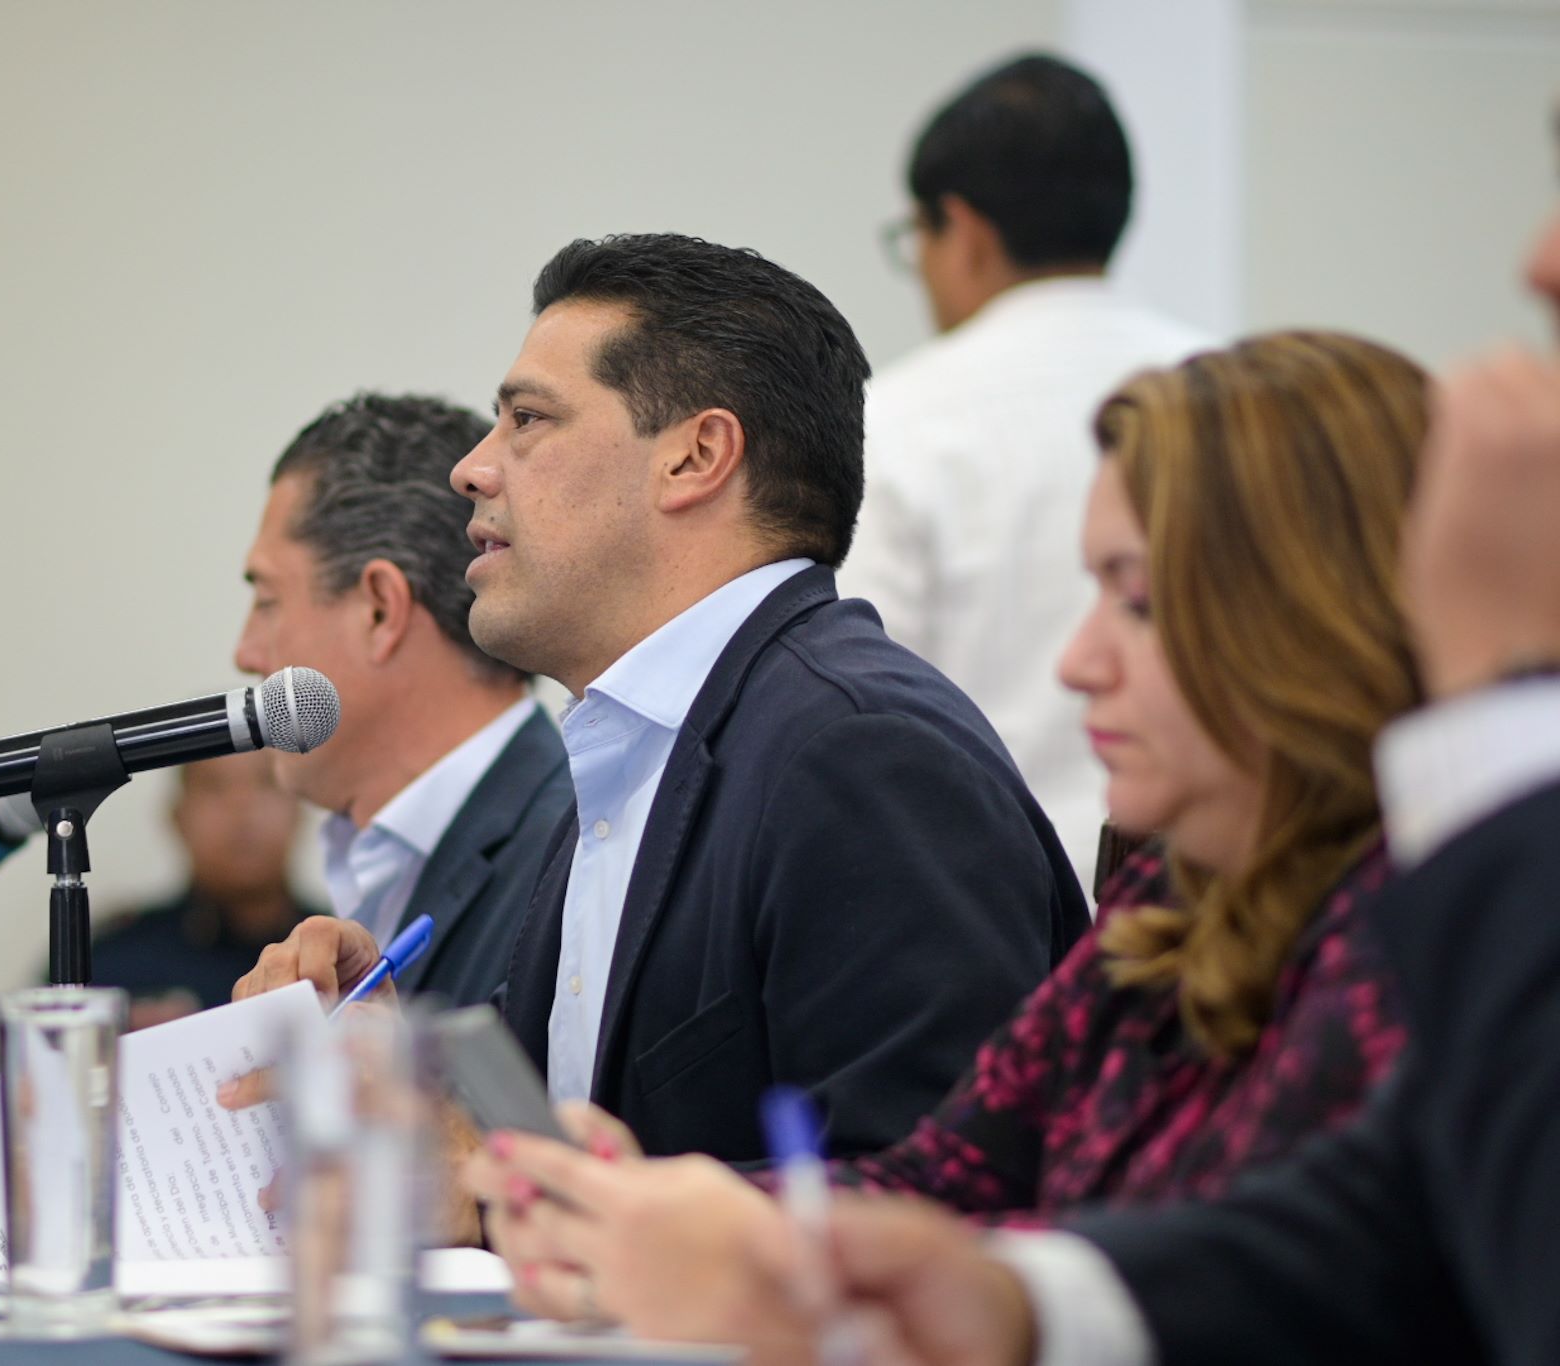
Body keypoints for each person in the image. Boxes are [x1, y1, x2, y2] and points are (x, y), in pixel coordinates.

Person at [507, 175, 1560, 1366]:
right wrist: (671, 1212)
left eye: (1138, 600)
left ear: (1307, 621)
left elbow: (1380, 1274)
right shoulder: (1169, 906)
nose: (1077, 663)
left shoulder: (1417, 916)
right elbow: (950, 1177)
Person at [236, 235, 1089, 1170]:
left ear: (696, 457)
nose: (472, 470)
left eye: (528, 420)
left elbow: (945, 1200)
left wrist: (503, 1193)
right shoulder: (639, 747)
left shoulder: (863, 752)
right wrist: (404, 1077)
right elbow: (586, 1129)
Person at [843, 53, 1211, 883]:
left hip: (980, 899)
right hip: (1214, 891)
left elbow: (866, 712)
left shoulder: (892, 423)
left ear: (962, 230)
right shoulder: (1237, 395)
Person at [231, 392, 573, 1007]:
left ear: (379, 610)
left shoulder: (571, 857)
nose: (246, 652)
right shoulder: (378, 853)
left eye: (268, 601)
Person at [79, 753, 311, 1030]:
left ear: (300, 810)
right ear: (177, 818)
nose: (242, 806)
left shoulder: (337, 956)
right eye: (215, 786)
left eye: (266, 782)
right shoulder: (110, 970)